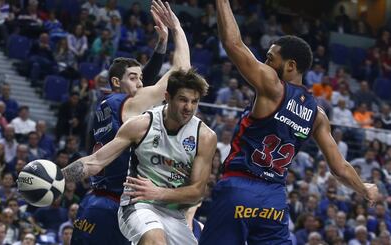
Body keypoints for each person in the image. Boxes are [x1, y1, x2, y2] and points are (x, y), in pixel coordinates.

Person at [199, 1, 380, 244]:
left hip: (239, 187)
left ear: (291, 66)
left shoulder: (272, 86)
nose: (265, 64)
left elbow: (233, 44)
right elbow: (340, 169)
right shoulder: (317, 114)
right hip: (274, 200)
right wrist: (364, 189)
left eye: (270, 58)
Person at [68, 1, 185, 244]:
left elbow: (143, 86)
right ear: (115, 82)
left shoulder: (107, 106)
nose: (141, 84)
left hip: (94, 202)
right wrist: (177, 29)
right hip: (118, 208)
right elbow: (181, 71)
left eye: (141, 78)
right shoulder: (127, 104)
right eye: (134, 78)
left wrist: (161, 46)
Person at [62, 66, 216, 245]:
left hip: (174, 214)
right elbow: (95, 162)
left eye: (194, 102)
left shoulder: (205, 136)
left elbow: (197, 192)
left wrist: (159, 192)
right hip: (137, 205)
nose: (189, 107)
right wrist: (59, 177)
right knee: (155, 241)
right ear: (167, 97)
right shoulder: (141, 125)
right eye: (183, 100)